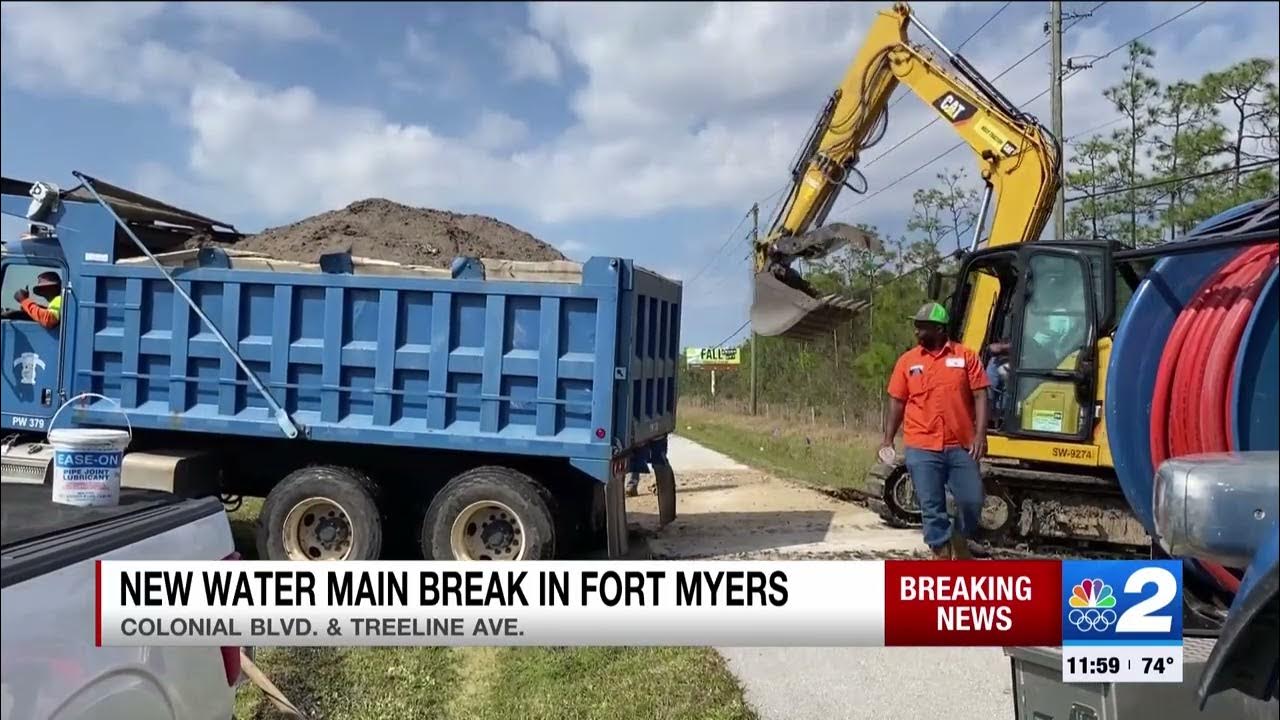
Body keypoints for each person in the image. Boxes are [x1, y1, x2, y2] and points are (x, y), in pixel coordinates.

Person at [880, 302, 989, 560]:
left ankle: (960, 538)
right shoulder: (907, 362)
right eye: (916, 326)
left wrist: (980, 435)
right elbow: (897, 401)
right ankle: (940, 552)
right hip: (921, 445)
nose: (917, 332)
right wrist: (887, 439)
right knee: (931, 505)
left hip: (960, 444)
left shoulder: (966, 357)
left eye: (923, 327)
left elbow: (981, 395)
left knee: (972, 500)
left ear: (939, 329)